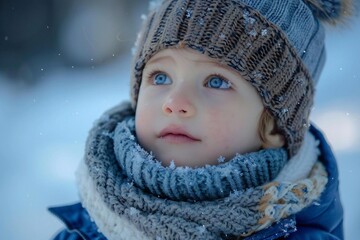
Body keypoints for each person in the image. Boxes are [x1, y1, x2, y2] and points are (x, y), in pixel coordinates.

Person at [49, 0, 350, 239]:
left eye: (216, 82)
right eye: (161, 76)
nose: (175, 103)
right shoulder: (88, 229)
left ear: (273, 124)